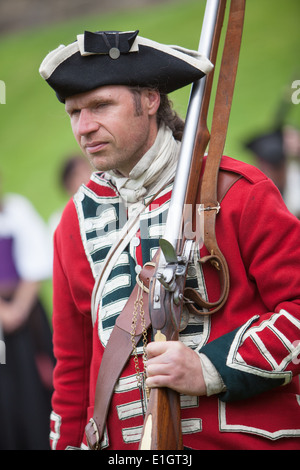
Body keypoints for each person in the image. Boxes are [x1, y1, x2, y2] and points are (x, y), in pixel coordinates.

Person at [39, 29, 300, 450]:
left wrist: (210, 369)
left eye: (101, 105)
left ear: (150, 100)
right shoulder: (73, 224)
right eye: (74, 113)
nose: (85, 127)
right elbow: (72, 373)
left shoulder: (236, 192)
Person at [0, 178, 55, 449]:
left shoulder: (15, 210)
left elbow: (36, 259)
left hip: (26, 320)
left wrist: (18, 308)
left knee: (35, 385)